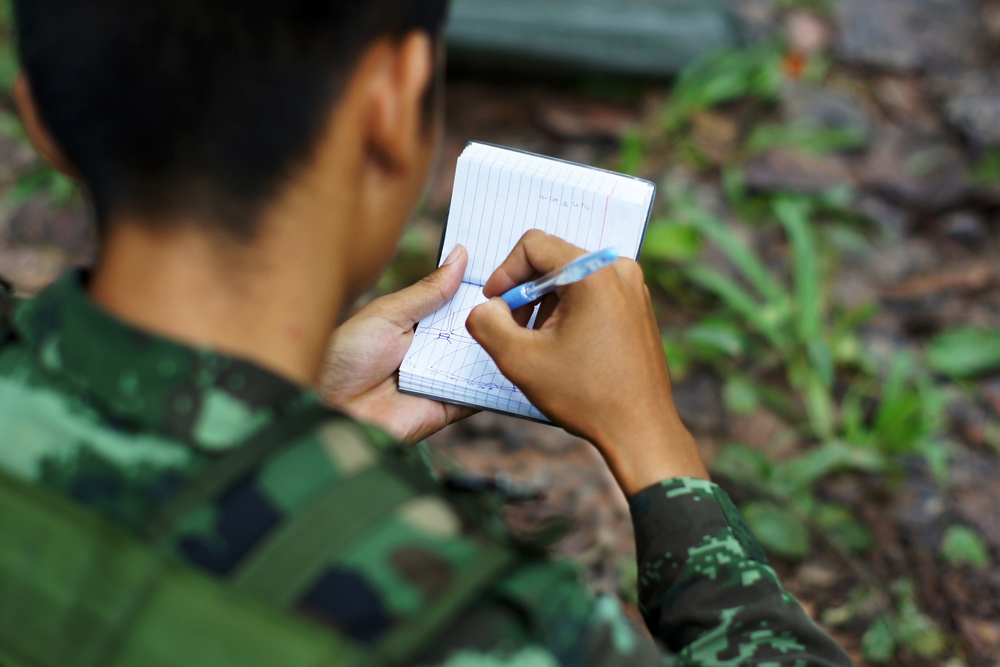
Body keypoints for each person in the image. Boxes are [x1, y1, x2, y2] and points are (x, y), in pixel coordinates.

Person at [0, 0, 853, 665]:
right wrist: (655, 443)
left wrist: (286, 417)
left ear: (39, 118)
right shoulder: (466, 629)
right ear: (392, 98)